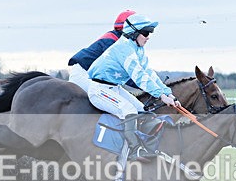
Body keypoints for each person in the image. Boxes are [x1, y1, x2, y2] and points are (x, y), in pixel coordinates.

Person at [87, 13, 180, 159]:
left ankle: (146, 143)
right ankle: (134, 149)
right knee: (129, 110)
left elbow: (149, 73)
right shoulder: (124, 49)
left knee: (141, 110)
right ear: (133, 33)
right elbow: (140, 77)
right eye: (145, 33)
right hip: (99, 90)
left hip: (115, 88)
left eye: (150, 33)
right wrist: (161, 96)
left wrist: (168, 94)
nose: (148, 36)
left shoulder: (138, 49)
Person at [67, 9, 135, 93]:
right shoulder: (111, 42)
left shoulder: (120, 41)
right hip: (83, 75)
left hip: (92, 77)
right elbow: (124, 72)